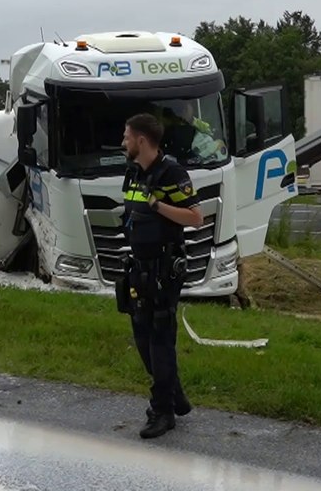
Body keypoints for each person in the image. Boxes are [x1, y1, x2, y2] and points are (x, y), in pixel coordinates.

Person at [116, 113, 202, 439]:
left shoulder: (172, 173)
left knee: (160, 340)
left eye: (126, 137)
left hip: (165, 269)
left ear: (141, 140)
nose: (123, 142)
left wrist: (158, 206)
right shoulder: (134, 173)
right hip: (139, 267)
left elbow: (195, 217)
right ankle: (174, 395)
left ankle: (163, 411)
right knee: (142, 337)